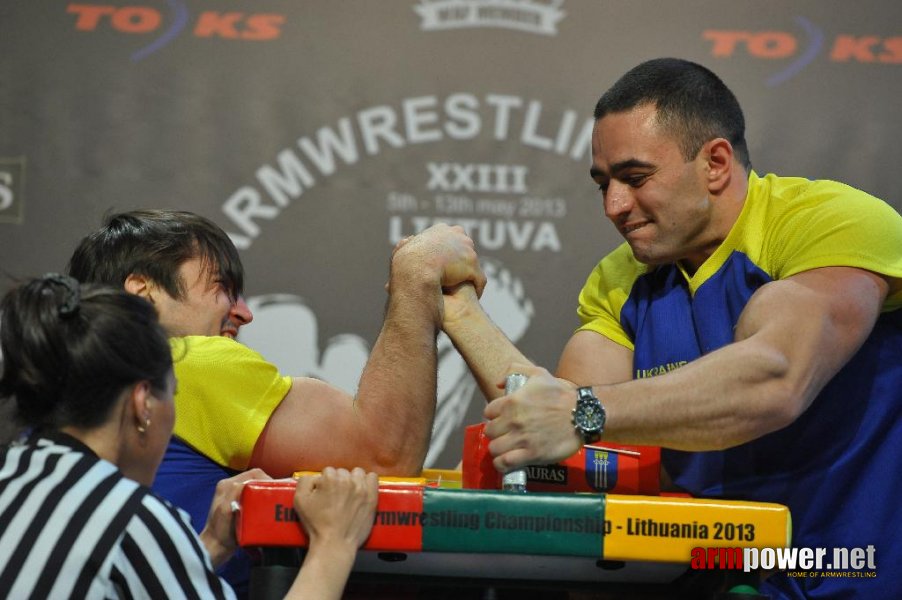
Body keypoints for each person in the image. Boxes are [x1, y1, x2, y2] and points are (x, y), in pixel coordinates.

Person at [439, 58, 902, 599]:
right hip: (704, 574)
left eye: (635, 179)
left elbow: (773, 380)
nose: (615, 206)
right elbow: (559, 426)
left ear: (715, 163)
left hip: (852, 571)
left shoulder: (829, 222)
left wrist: (582, 412)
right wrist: (456, 308)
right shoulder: (620, 277)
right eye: (603, 184)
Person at [66, 210, 485, 594]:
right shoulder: (188, 362)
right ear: (143, 292)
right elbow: (385, 453)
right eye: (222, 289)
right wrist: (417, 273)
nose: (244, 313)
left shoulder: (68, 386)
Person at [0, 274, 379, 599]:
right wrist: (333, 542)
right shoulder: (130, 518)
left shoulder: (14, 479)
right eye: (173, 392)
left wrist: (210, 545)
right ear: (143, 404)